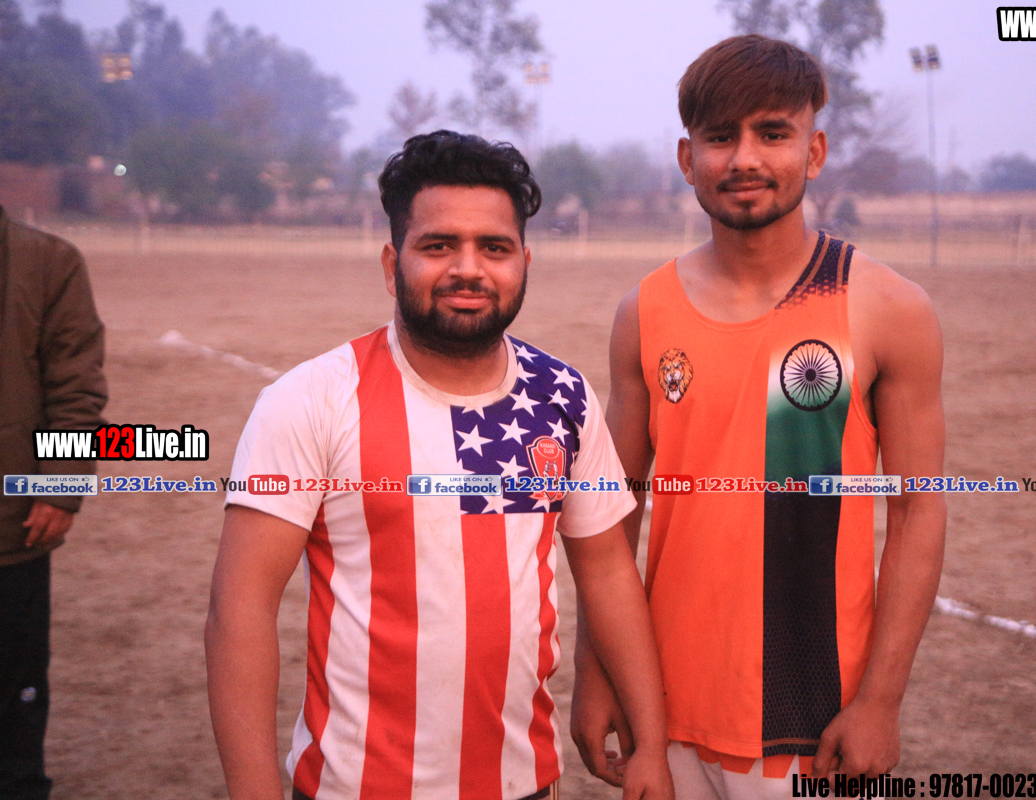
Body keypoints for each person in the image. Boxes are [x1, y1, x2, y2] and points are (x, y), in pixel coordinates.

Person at [205, 131, 673, 800]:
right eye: (438, 246)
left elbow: (606, 572)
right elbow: (241, 607)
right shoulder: (310, 400)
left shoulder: (563, 395)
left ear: (524, 261)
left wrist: (651, 743)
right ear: (391, 263)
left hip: (524, 785)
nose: (468, 269)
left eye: (494, 247)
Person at [571, 36, 947, 796]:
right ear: (688, 158)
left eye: (772, 133)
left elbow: (918, 511)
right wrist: (594, 669)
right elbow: (612, 515)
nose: (745, 158)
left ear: (815, 151)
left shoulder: (887, 307)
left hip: (815, 714)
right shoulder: (643, 312)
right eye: (720, 137)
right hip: (663, 706)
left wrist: (880, 702)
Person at [0, 204, 107, 800]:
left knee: (13, 699)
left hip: (9, 525)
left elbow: (75, 386)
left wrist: (60, 486)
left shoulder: (47, 261)